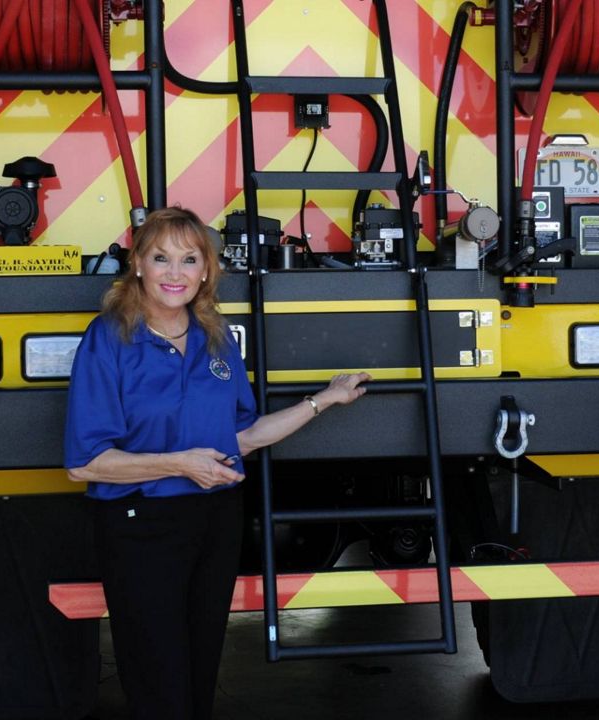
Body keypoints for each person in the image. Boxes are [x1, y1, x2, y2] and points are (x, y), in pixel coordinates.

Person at [63, 206, 369, 720]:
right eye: (161, 258)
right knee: (158, 677)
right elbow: (85, 463)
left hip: (214, 521)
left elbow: (241, 438)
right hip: (141, 527)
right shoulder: (109, 337)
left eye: (189, 260)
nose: (175, 273)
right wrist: (179, 464)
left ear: (206, 270)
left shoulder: (215, 336)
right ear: (137, 264)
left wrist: (322, 401)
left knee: (200, 670)